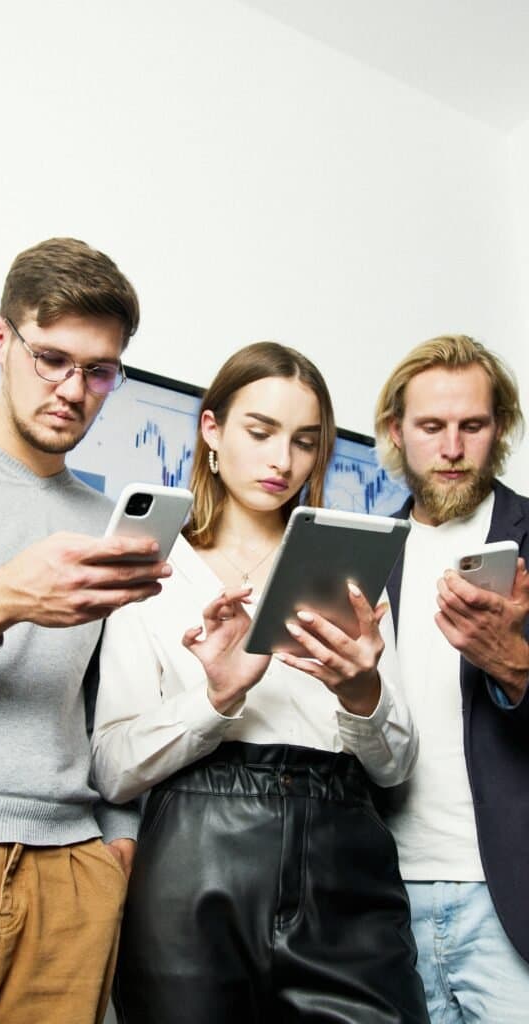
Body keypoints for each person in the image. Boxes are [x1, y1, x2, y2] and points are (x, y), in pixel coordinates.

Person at [92, 341, 430, 1023]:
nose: (283, 461)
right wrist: (216, 698)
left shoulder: (343, 567)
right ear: (212, 430)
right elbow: (112, 767)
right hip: (194, 864)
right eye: (261, 432)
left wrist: (361, 691)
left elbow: (394, 768)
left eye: (306, 441)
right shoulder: (151, 574)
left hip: (345, 861)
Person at [0, 237, 171, 1024]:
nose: (73, 390)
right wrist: (0, 598)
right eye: (52, 358)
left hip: (71, 870)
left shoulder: (102, 520)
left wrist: (115, 835)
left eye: (100, 370)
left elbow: (96, 700)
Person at [373, 334, 529, 1023]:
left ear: (500, 429)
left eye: (473, 425)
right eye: (431, 426)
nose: (453, 447)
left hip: (511, 900)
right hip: (382, 898)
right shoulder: (361, 551)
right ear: (395, 432)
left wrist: (514, 664)